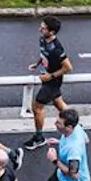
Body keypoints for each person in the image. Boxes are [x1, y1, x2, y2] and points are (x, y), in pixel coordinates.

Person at [27, 16, 72, 146]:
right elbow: (43, 54)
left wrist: (51, 76)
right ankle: (75, 126)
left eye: (43, 28)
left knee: (37, 107)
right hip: (47, 77)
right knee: (59, 104)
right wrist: (37, 64)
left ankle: (39, 137)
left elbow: (68, 67)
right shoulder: (43, 39)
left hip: (52, 82)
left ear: (51, 32)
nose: (40, 28)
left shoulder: (56, 48)